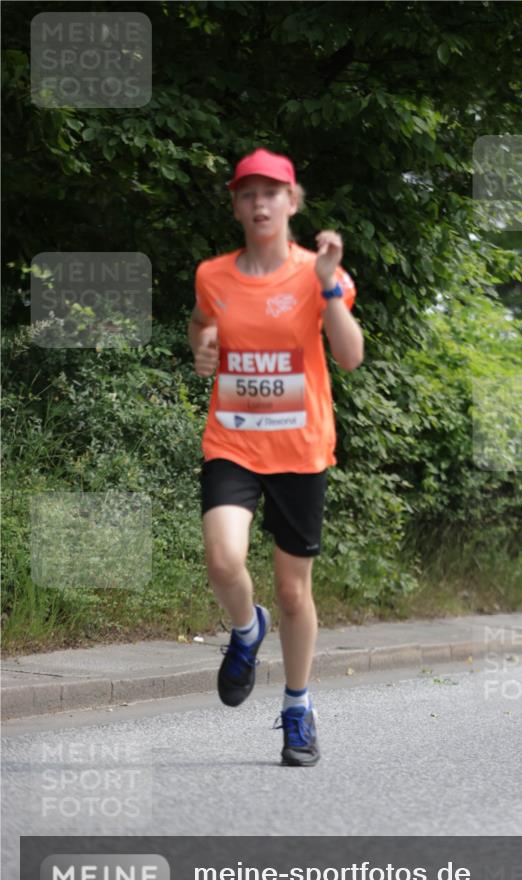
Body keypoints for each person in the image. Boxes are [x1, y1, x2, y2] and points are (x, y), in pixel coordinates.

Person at [188, 147, 363, 767]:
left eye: (271, 193)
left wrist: (329, 291)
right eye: (247, 194)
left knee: (293, 593)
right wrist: (205, 345)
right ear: (235, 205)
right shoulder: (214, 274)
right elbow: (203, 324)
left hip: (299, 447)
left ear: (293, 202)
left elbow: (349, 357)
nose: (259, 203)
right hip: (233, 440)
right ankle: (244, 631)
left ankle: (297, 708)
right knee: (222, 557)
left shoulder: (319, 271)